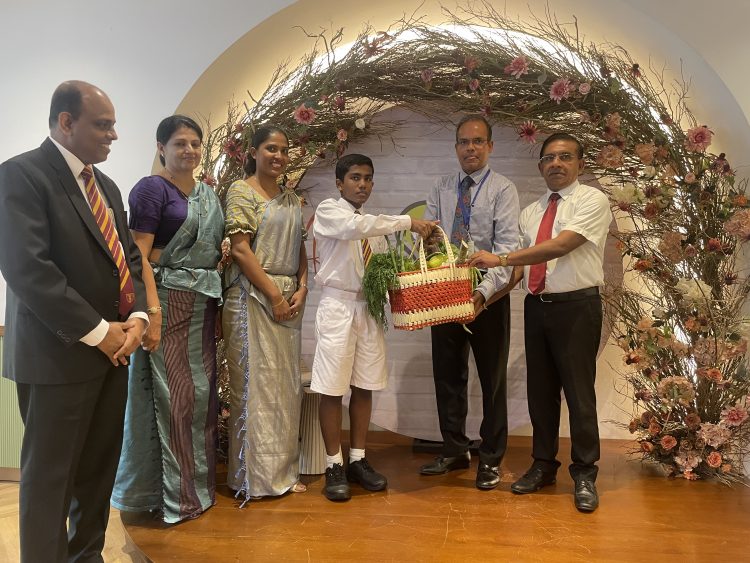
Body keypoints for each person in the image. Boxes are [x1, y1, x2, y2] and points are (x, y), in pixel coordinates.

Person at [0, 81, 147, 562]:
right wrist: (100, 332)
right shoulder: (21, 175)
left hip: (114, 355)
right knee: (51, 481)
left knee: (97, 474)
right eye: (102, 125)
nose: (113, 135)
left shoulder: (106, 186)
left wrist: (137, 316)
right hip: (57, 357)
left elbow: (128, 258)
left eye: (113, 125)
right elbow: (28, 269)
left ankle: (87, 557)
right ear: (66, 122)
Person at [470, 132, 612, 512]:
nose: (556, 164)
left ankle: (584, 473)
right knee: (540, 393)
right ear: (540, 167)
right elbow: (519, 269)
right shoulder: (531, 213)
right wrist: (482, 299)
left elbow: (561, 244)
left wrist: (501, 258)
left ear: (580, 164)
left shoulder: (592, 200)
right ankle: (543, 465)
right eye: (549, 158)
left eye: (565, 157)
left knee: (579, 395)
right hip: (537, 308)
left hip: (577, 308)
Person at [111, 115, 224, 523]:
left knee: (199, 397)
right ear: (161, 148)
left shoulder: (208, 194)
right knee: (169, 397)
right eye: (179, 143)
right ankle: (167, 496)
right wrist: (152, 311)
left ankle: (196, 490)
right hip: (168, 301)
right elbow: (138, 255)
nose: (189, 150)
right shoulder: (151, 189)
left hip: (202, 305)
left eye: (195, 143)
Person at [311, 153, 437, 501]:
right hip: (338, 307)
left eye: (367, 178)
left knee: (365, 384)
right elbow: (356, 228)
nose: (362, 184)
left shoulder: (375, 227)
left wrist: (423, 250)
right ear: (339, 183)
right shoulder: (329, 211)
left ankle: (358, 459)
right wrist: (407, 222)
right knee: (332, 388)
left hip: (368, 308)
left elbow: (382, 267)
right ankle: (333, 464)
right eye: (355, 178)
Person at [419, 114, 520, 490]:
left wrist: (481, 294)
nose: (470, 148)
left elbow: (506, 250)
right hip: (445, 293)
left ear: (490, 146)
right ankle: (454, 449)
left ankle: (491, 457)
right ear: (456, 147)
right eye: (464, 142)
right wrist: (429, 251)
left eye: (478, 141)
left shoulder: (503, 189)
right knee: (447, 375)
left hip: (487, 296)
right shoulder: (441, 186)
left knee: (492, 379)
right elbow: (429, 236)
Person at [222, 125, 309, 501]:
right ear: (254, 152)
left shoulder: (291, 198)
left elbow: (301, 247)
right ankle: (251, 479)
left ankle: (282, 473)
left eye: (284, 150)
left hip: (288, 300)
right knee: (254, 388)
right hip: (251, 298)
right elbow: (240, 249)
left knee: (284, 388)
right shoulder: (241, 191)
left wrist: (302, 287)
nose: (279, 156)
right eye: (271, 148)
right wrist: (274, 295)